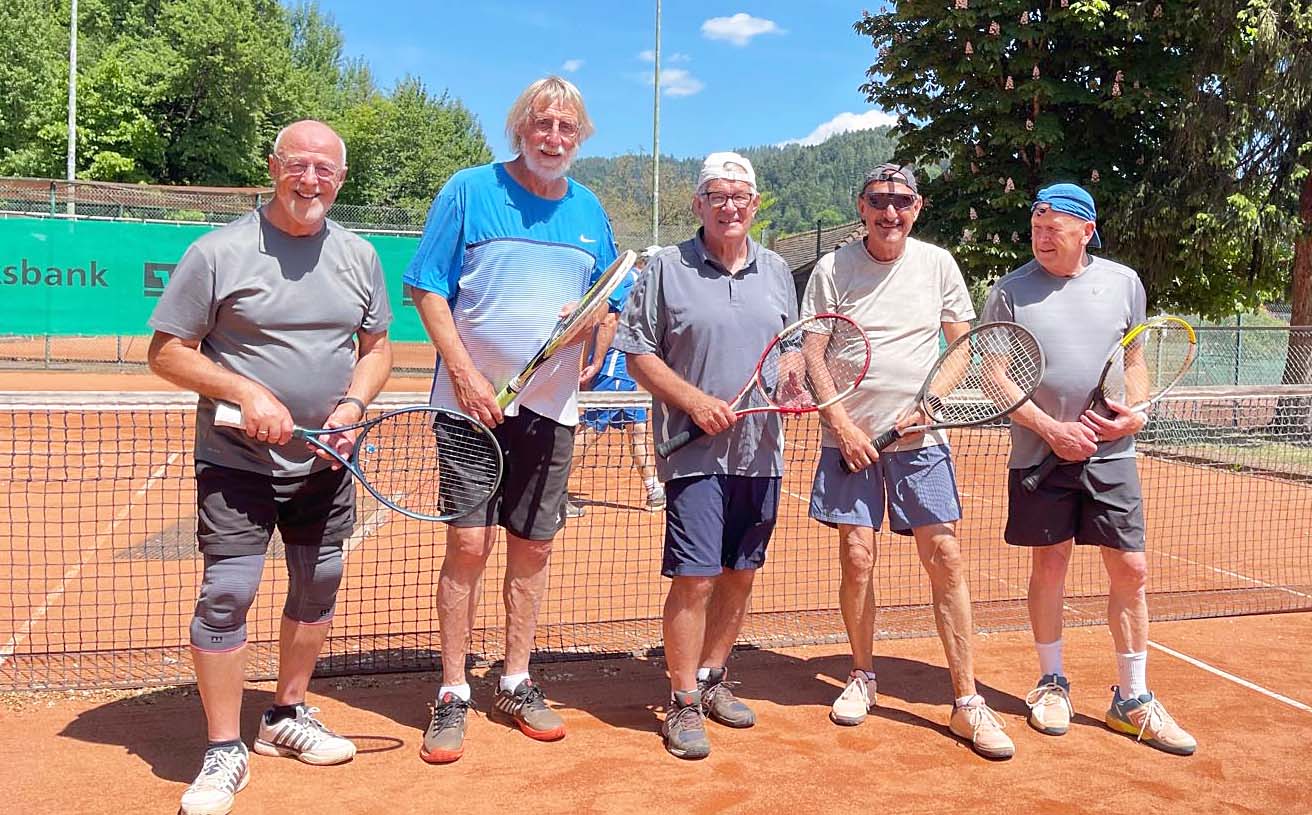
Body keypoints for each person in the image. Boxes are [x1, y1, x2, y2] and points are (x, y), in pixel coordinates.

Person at [147, 120, 394, 815]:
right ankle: (224, 747)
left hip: (327, 458)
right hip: (237, 461)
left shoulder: (359, 256)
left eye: (325, 170)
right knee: (227, 591)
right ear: (273, 167)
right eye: (298, 165)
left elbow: (377, 348)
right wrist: (244, 391)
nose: (310, 180)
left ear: (340, 180)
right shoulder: (217, 252)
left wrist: (352, 406)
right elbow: (166, 352)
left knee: (320, 581)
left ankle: (285, 714)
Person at [403, 76, 620, 764]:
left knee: (534, 549)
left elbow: (608, 297)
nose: (553, 138)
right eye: (542, 124)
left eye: (566, 127)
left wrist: (596, 337)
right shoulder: (469, 190)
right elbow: (425, 287)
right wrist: (466, 377)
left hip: (549, 412)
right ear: (520, 129)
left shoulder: (589, 209)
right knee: (469, 546)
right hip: (469, 407)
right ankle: (451, 690)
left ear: (580, 137)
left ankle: (516, 680)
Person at [803, 163, 1014, 759]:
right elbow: (814, 353)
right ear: (861, 206)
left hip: (921, 441)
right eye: (878, 200)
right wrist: (842, 425)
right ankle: (862, 674)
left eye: (901, 201)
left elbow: (962, 346)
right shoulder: (831, 269)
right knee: (857, 555)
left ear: (917, 208)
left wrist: (929, 404)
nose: (889, 212)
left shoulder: (938, 264)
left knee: (945, 555)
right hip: (849, 439)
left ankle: (967, 700)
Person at [981, 183, 1197, 756]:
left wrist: (1137, 411)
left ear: (1086, 230)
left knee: (1132, 568)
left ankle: (1133, 698)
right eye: (1036, 228)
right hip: (1040, 454)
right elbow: (995, 375)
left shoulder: (1123, 283)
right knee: (1050, 563)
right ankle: (1051, 682)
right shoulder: (1009, 291)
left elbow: (1135, 358)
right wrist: (1051, 429)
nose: (1042, 238)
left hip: (1112, 455)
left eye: (1054, 228)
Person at [616, 152, 797, 760]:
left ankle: (714, 676)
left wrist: (793, 377)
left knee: (740, 573)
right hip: (693, 456)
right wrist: (693, 401)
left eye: (740, 196)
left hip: (762, 452)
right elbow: (638, 353)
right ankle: (683, 699)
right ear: (699, 204)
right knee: (695, 578)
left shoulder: (777, 271)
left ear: (755, 204)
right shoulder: (667, 268)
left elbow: (791, 348)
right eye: (717, 195)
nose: (729, 206)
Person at [567, 246, 666, 518]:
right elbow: (608, 320)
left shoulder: (632, 283)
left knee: (638, 428)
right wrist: (597, 364)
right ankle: (553, 492)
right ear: (648, 265)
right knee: (591, 429)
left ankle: (653, 489)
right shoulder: (630, 281)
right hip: (614, 370)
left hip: (625, 372)